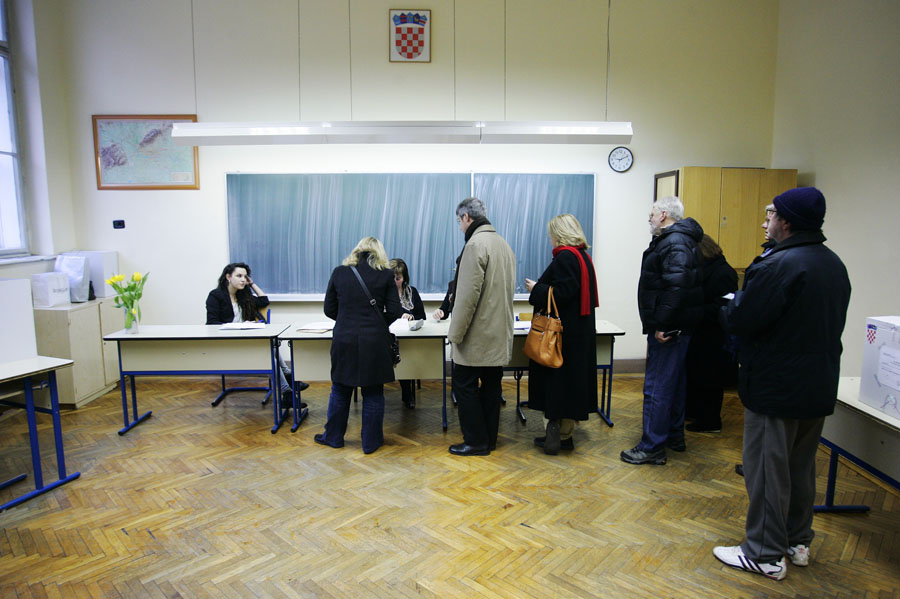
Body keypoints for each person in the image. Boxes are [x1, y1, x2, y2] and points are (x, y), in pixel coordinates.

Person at [714, 187, 851, 581]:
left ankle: (763, 552)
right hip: (817, 384)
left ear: (786, 222)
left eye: (770, 213)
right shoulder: (832, 263)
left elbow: (745, 319)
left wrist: (730, 305)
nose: (764, 220)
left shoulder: (778, 265)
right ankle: (796, 540)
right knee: (800, 467)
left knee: (768, 470)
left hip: (776, 387)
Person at [621, 196, 704, 465]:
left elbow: (676, 287)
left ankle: (652, 446)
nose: (649, 218)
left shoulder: (674, 242)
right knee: (674, 384)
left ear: (664, 215)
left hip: (670, 329)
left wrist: (663, 325)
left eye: (652, 214)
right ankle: (673, 436)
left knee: (657, 386)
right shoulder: (681, 240)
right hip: (679, 326)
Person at [314, 237, 403, 454]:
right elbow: (394, 310)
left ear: (357, 251)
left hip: (344, 338)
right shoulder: (385, 274)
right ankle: (371, 442)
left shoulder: (340, 272)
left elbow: (329, 309)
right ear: (379, 252)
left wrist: (346, 320)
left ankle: (333, 437)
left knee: (341, 388)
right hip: (374, 340)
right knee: (373, 391)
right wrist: (376, 323)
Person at [523, 214, 599, 455]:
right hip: (578, 333)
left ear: (559, 234)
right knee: (570, 385)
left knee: (556, 383)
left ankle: (554, 431)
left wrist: (537, 289)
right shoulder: (583, 257)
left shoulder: (566, 257)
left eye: (551, 235)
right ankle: (566, 434)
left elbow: (563, 293)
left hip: (561, 337)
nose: (550, 240)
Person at [447, 197, 516, 456]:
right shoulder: (503, 244)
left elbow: (467, 298)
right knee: (491, 387)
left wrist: (455, 335)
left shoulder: (475, 245)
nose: (460, 227)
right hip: (498, 334)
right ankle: (489, 439)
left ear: (466, 218)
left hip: (476, 336)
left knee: (464, 386)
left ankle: (475, 442)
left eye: (459, 221)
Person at [205, 263, 308, 404]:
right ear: (228, 277)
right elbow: (211, 323)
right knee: (269, 354)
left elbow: (264, 300)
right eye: (239, 276)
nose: (243, 280)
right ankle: (287, 386)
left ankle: (287, 388)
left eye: (245, 277)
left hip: (247, 340)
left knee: (271, 346)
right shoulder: (216, 296)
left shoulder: (243, 296)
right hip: (228, 343)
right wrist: (238, 326)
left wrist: (252, 284)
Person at [684, 235, 738, 433]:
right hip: (703, 333)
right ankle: (696, 413)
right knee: (699, 377)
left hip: (714, 336)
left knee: (710, 381)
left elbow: (722, 308)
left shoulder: (723, 273)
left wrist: (693, 309)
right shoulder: (710, 269)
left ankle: (710, 420)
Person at [391, 258, 426, 408]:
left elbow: (422, 316)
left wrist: (411, 316)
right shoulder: (381, 293)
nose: (394, 281)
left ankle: (407, 393)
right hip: (389, 338)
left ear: (404, 278)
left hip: (408, 339)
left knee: (406, 356)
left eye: (398, 278)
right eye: (392, 277)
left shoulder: (412, 292)